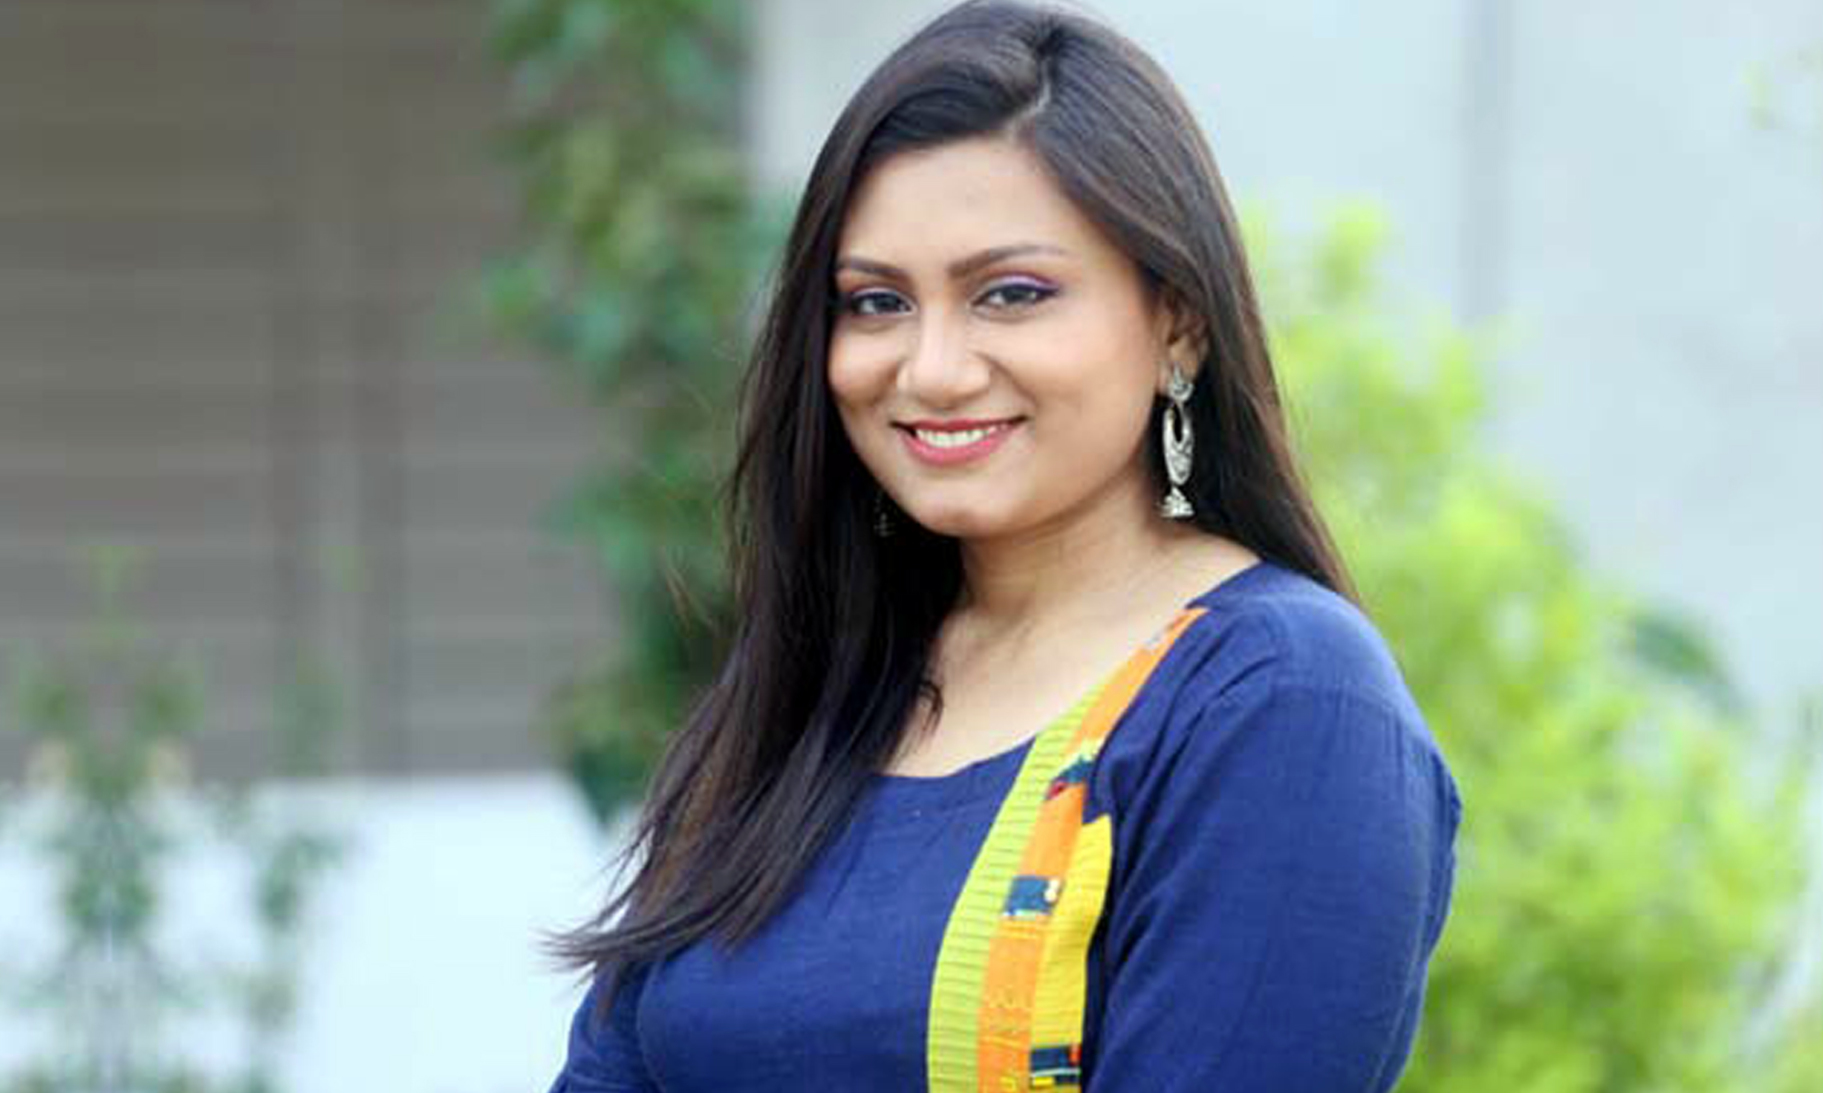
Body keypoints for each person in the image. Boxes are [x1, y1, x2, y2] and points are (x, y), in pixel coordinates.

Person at [544, 1, 1461, 1089]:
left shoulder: (1275, 700)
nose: (931, 369)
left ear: (1177, 321)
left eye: (1011, 294)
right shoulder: (818, 677)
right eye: (874, 302)